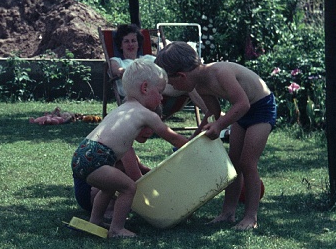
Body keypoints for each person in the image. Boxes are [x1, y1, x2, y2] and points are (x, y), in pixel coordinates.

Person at [154, 41, 277, 231]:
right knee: (234, 164)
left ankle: (251, 217)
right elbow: (213, 111)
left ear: (181, 75)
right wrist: (196, 136)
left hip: (261, 108)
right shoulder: (198, 84)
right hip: (242, 113)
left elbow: (243, 103)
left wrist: (219, 125)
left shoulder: (220, 72)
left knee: (247, 162)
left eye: (172, 82)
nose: (173, 87)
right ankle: (228, 213)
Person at [71, 57, 190, 238]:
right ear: (145, 88)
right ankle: (117, 229)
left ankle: (95, 221)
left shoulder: (123, 108)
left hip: (82, 154)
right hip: (99, 158)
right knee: (128, 188)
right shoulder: (146, 114)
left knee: (108, 187)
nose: (161, 99)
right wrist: (193, 145)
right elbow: (172, 137)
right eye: (159, 93)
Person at [72, 127, 154, 218]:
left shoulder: (116, 141)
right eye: (146, 127)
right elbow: (136, 176)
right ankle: (108, 210)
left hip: (85, 194)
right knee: (124, 178)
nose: (150, 132)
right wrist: (156, 197)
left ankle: (109, 208)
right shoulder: (123, 145)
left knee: (120, 171)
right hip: (89, 195)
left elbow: (142, 168)